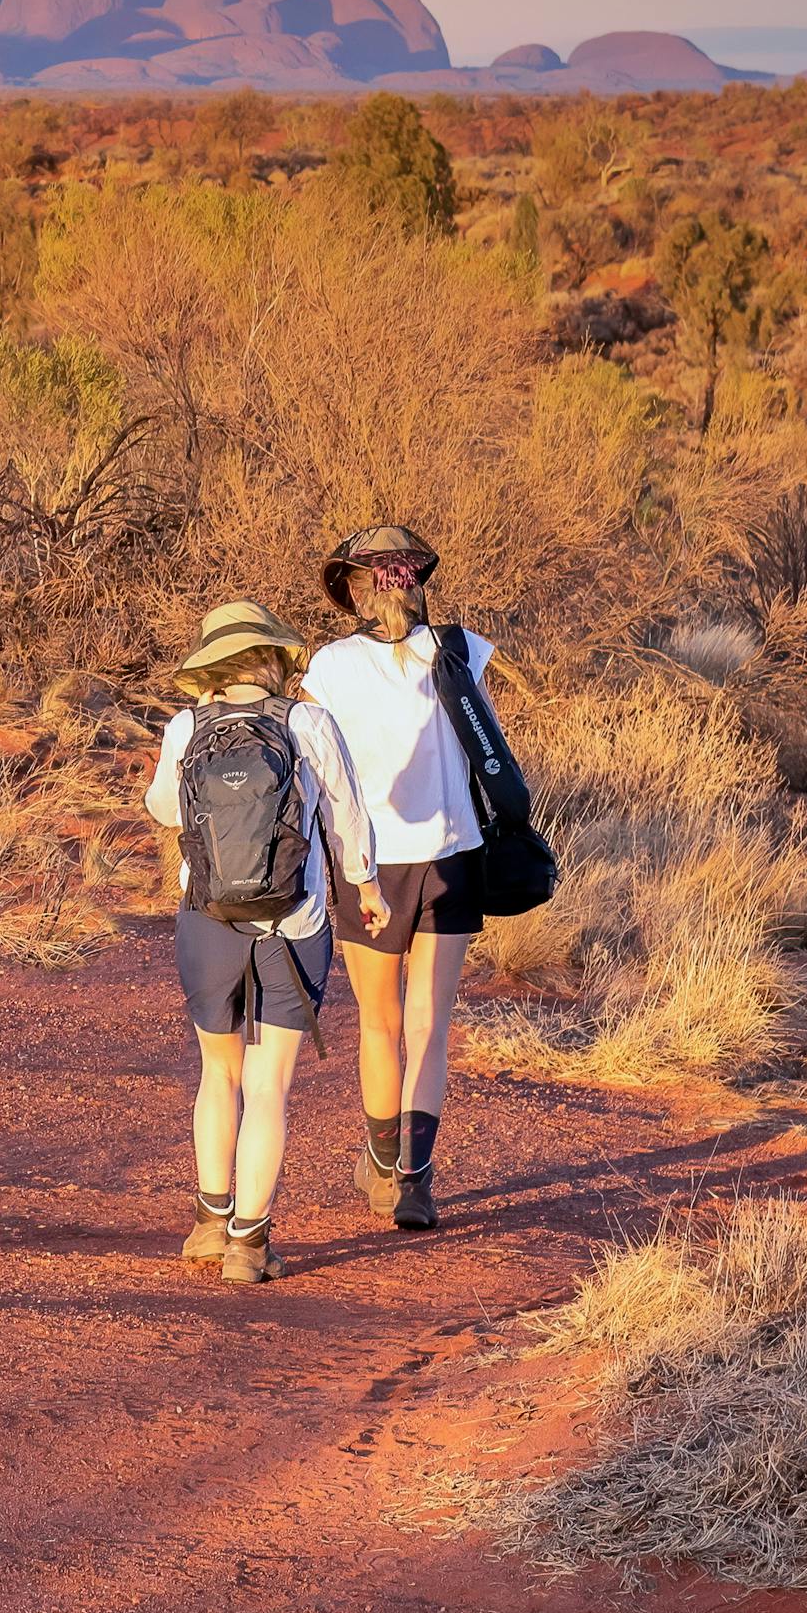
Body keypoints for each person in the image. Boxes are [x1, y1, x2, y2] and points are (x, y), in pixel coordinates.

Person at [142, 599, 374, 1286]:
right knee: (269, 1084)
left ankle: (209, 1221)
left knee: (219, 1074)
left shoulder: (186, 725)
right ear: (272, 657)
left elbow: (161, 807)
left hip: (206, 918)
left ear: (211, 664)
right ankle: (249, 1243)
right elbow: (346, 815)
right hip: (291, 923)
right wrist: (366, 885)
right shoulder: (306, 722)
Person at [302, 524, 501, 1233]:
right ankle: (416, 1182)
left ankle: (383, 1167)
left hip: (371, 864)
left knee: (380, 1026)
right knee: (430, 1027)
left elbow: (317, 762)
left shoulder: (330, 666)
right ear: (416, 583)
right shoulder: (460, 647)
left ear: (357, 590)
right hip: (454, 854)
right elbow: (490, 745)